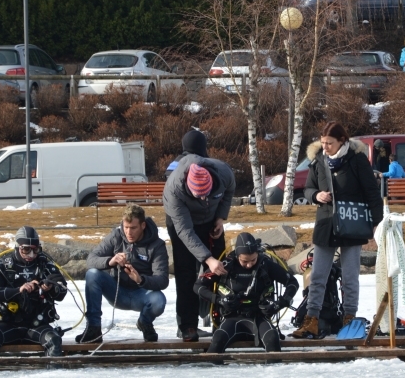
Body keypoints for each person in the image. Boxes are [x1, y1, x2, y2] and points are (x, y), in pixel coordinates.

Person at [290, 121, 383, 339]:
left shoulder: (357, 159)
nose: (325, 147)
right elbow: (309, 187)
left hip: (352, 222)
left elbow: (371, 191)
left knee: (350, 276)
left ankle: (349, 319)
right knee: (318, 275)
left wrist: (377, 222)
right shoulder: (318, 160)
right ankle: (311, 320)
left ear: (342, 141)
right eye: (322, 143)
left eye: (329, 143)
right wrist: (315, 196)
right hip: (326, 223)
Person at [164, 151, 236, 342]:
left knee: (220, 270)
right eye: (199, 196)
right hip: (182, 224)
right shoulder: (174, 190)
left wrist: (220, 218)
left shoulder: (223, 172)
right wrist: (207, 259)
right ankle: (187, 325)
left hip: (210, 218)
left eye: (207, 194)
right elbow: (186, 233)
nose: (203, 198)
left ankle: (220, 319)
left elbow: (229, 190)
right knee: (186, 272)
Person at [77, 204, 169, 344]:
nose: (128, 232)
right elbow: (91, 260)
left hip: (142, 293)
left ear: (143, 226)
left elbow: (162, 280)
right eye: (126, 227)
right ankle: (94, 327)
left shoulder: (157, 245)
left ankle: (145, 322)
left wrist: (141, 279)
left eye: (133, 228)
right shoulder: (116, 236)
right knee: (92, 274)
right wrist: (110, 261)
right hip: (117, 292)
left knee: (159, 300)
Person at [196, 233, 299, 354]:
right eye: (244, 261)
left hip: (259, 318)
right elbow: (198, 286)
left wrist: (280, 303)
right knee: (218, 339)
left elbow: (292, 282)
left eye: (253, 260)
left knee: (272, 338)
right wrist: (219, 300)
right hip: (232, 318)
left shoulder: (265, 264)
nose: (249, 264)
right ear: (237, 255)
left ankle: (273, 372)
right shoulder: (226, 265)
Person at [0, 226, 67, 358]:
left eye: (36, 250)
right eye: (26, 249)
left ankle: (52, 377)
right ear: (17, 246)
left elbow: (61, 292)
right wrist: (18, 290)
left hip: (36, 325)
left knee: (54, 340)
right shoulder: (1, 265)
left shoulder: (46, 265)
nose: (31, 255)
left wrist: (51, 288)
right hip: (7, 323)